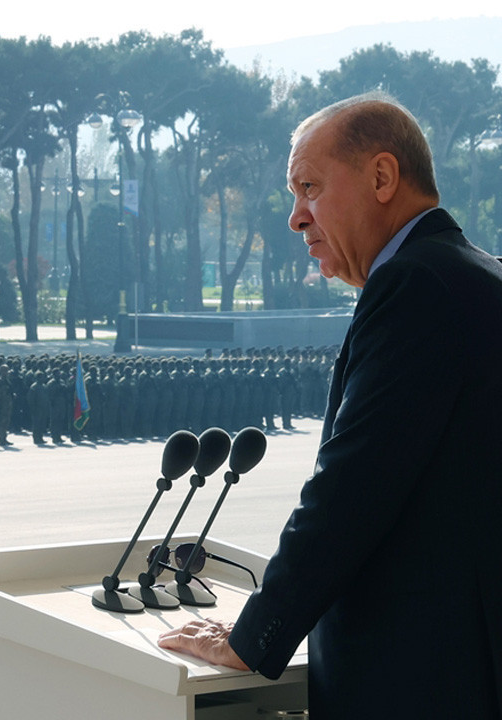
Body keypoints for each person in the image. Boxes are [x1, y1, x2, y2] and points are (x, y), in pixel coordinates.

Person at [158, 92, 502, 719]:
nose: (295, 217)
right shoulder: (476, 275)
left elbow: (353, 486)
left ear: (381, 176)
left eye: (310, 187)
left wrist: (252, 635)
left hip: (419, 680)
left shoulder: (414, 284)